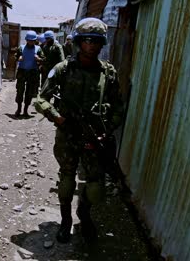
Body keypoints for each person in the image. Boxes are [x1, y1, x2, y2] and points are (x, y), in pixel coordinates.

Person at [35, 18, 124, 244]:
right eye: (86, 41)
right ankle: (65, 221)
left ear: (102, 43)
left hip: (95, 138)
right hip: (68, 136)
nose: (91, 45)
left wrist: (108, 129)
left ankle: (84, 215)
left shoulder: (108, 73)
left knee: (95, 187)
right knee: (66, 181)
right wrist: (59, 119)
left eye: (95, 41)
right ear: (78, 42)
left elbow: (118, 107)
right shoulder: (63, 69)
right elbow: (41, 100)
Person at [14, 30, 44, 117]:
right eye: (29, 40)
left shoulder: (38, 49)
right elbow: (15, 56)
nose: (31, 42)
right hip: (22, 72)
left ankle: (25, 110)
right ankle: (19, 109)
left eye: (33, 40)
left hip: (33, 73)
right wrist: (18, 58)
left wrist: (38, 59)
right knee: (20, 90)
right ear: (26, 40)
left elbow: (43, 59)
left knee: (29, 92)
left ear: (35, 41)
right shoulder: (21, 48)